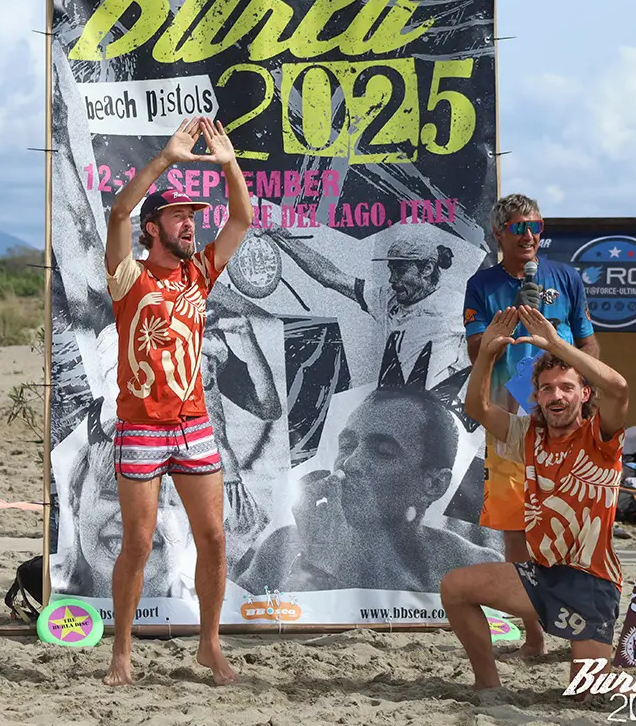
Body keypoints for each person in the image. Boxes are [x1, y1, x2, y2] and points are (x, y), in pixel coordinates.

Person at [101, 116, 252, 687]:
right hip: (141, 426)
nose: (191, 223)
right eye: (179, 216)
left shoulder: (200, 274)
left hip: (193, 425)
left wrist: (228, 163)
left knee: (213, 538)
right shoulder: (128, 278)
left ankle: (209, 646)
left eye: (193, 216)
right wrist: (166, 158)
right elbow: (117, 213)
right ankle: (121, 652)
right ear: (153, 228)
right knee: (139, 544)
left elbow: (241, 219)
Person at [444, 305, 627, 690]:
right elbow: (477, 408)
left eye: (566, 387)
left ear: (585, 394)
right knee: (454, 587)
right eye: (546, 388)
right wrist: (488, 353)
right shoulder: (529, 433)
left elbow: (619, 387)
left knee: (586, 696)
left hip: (592, 584)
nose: (556, 396)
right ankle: (487, 687)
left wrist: (557, 344)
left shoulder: (601, 437)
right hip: (541, 576)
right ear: (538, 397)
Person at [462, 193, 598, 658]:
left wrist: (584, 393)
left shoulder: (566, 278)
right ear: (498, 233)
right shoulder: (482, 285)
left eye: (535, 227)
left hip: (562, 420)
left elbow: (588, 345)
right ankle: (534, 636)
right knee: (515, 527)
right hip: (509, 420)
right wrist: (509, 327)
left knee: (572, 524)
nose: (528, 236)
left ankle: (580, 631)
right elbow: (475, 353)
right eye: (518, 227)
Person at [235, 387, 500, 595]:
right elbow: (252, 631)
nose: (350, 463)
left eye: (383, 452)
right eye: (347, 446)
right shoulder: (281, 549)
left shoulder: (476, 569)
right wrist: (316, 565)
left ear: (434, 485)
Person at [268, 227, 469, 388]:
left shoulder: (455, 305)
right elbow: (329, 276)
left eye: (400, 271)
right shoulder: (387, 299)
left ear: (427, 269)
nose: (392, 280)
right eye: (391, 271)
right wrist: (284, 239)